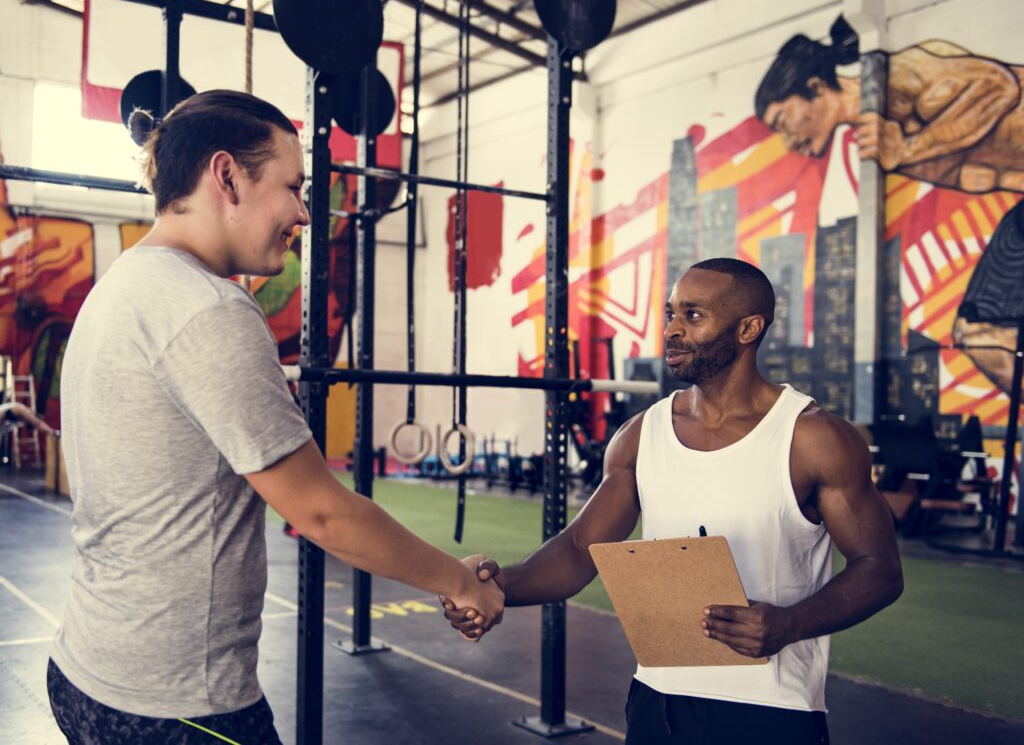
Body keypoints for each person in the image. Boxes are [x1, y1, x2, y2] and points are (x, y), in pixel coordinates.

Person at [49, 90, 503, 744]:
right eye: (293, 187)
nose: (303, 213)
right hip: (175, 705)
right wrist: (459, 579)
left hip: (86, 671)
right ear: (227, 175)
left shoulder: (122, 285)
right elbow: (320, 512)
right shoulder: (208, 309)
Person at [444, 258, 903, 745]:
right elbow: (581, 549)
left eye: (693, 315)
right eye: (670, 314)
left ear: (749, 329)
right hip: (658, 697)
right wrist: (496, 587)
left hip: (771, 707)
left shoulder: (813, 438)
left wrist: (791, 623)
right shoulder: (641, 435)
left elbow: (880, 569)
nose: (672, 330)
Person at [755, 15, 1024, 395]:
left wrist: (910, 148)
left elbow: (997, 89)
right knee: (981, 336)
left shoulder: (901, 78)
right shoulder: (883, 137)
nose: (787, 140)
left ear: (816, 87)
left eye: (783, 120)